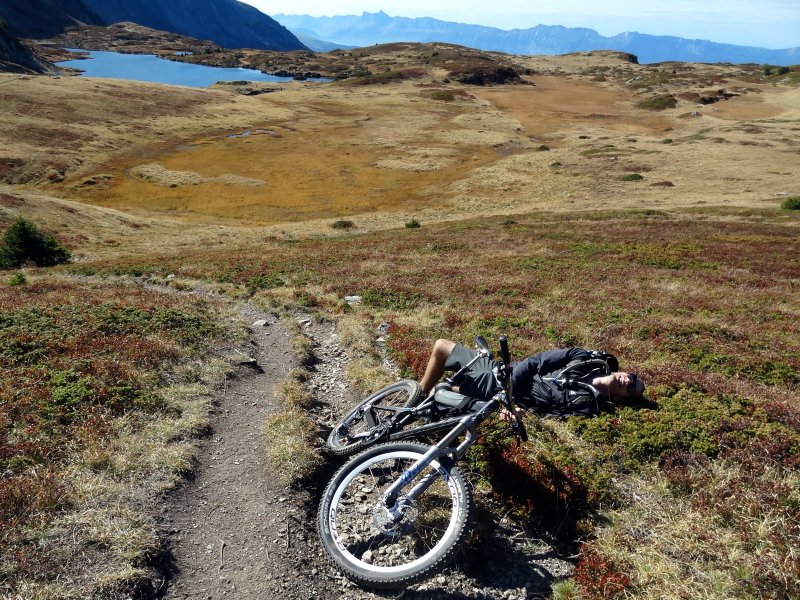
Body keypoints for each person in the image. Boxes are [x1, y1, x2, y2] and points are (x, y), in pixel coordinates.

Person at [419, 339, 645, 415]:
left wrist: (512, 403)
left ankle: (425, 401)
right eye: (632, 377)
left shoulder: (589, 406)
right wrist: (508, 382)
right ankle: (417, 397)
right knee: (441, 347)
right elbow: (537, 361)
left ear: (621, 399)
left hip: (507, 394)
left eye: (631, 388)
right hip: (505, 372)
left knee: (447, 390)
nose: (628, 381)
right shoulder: (584, 358)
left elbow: (550, 413)